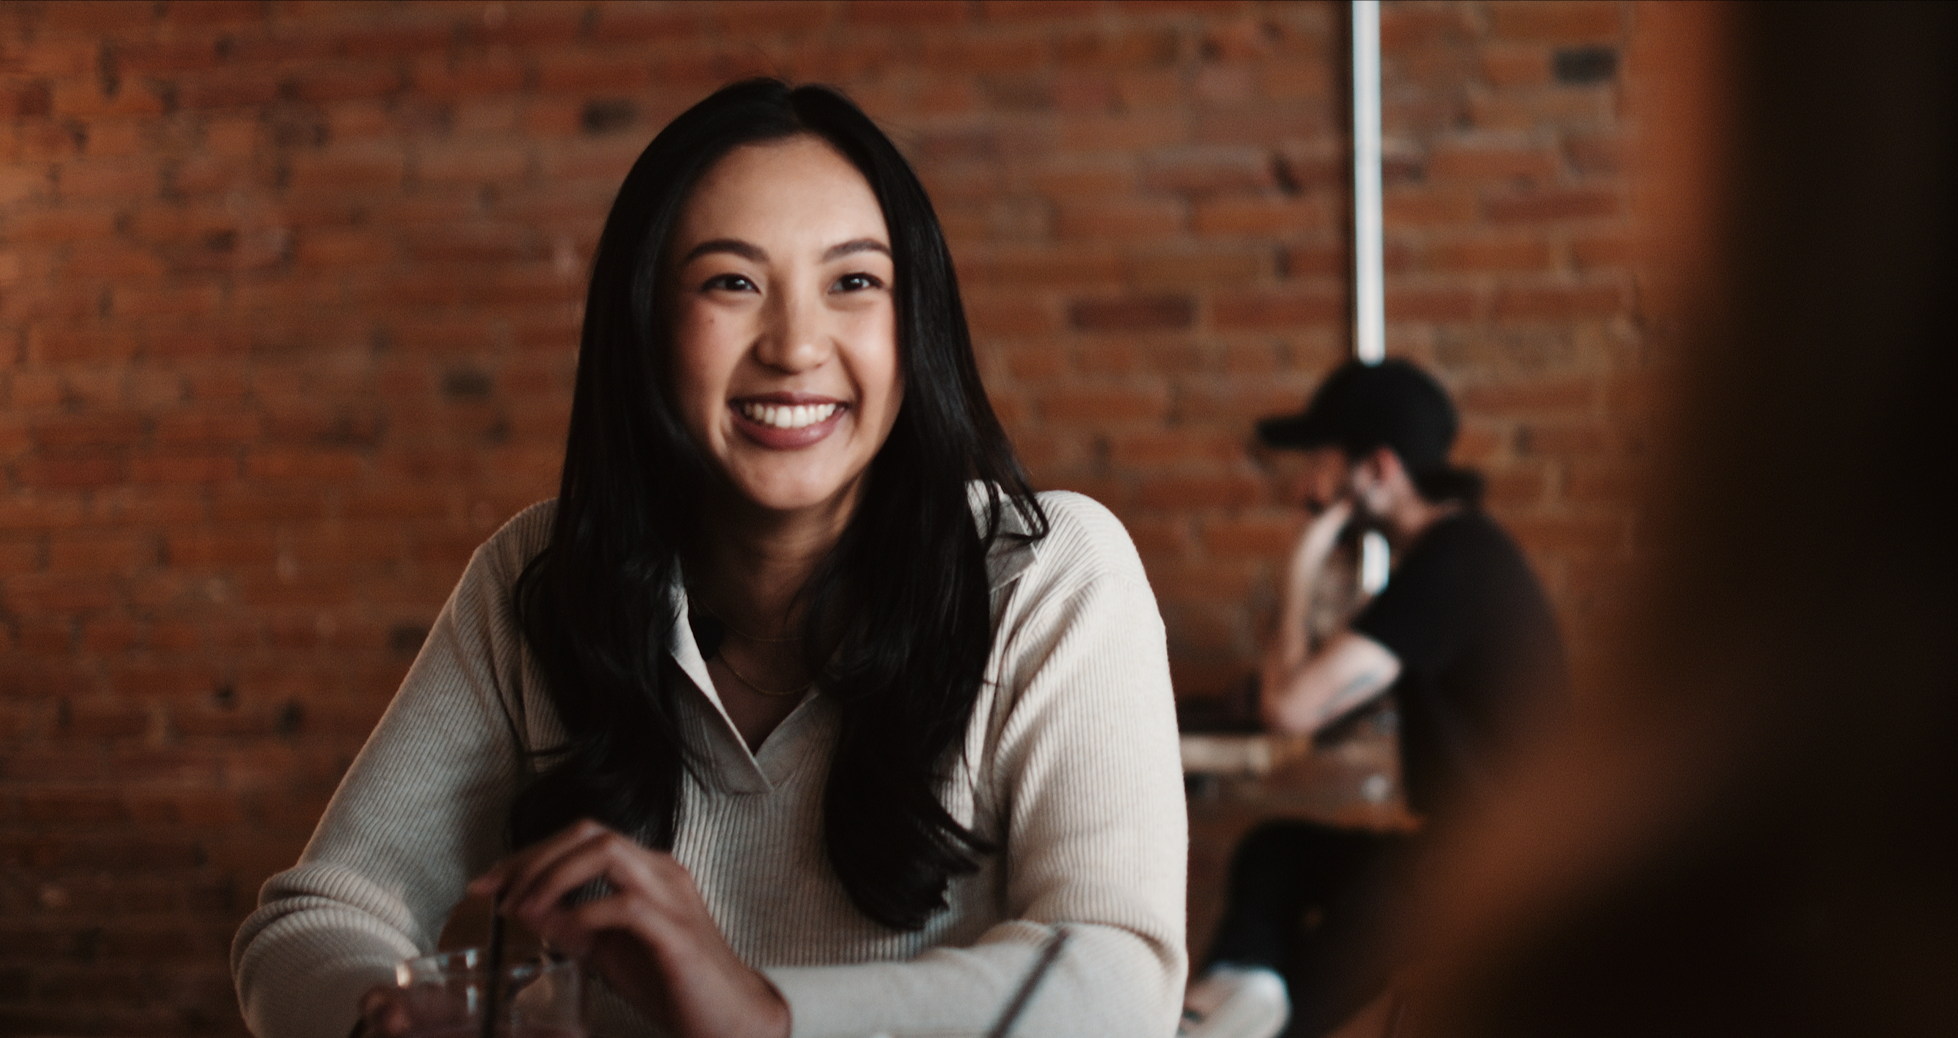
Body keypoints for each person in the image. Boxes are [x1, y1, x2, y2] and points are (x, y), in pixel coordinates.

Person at [230, 79, 1186, 1038]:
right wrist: (379, 1019)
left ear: (916, 325)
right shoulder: (544, 582)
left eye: (854, 282)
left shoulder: (1048, 573)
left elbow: (1116, 980)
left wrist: (758, 1014)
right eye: (732, 282)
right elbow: (315, 919)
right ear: (645, 326)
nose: (797, 345)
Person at [1180, 360, 1563, 1038]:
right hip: (1474, 853)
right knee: (1275, 853)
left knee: (1301, 993)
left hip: (1491, 872)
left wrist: (1303, 560)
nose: (1306, 487)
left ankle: (1250, 1019)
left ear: (1377, 470)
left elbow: (1291, 709)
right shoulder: (1447, 557)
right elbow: (1325, 695)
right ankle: (1239, 1010)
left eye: (1319, 463)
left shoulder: (1452, 563)